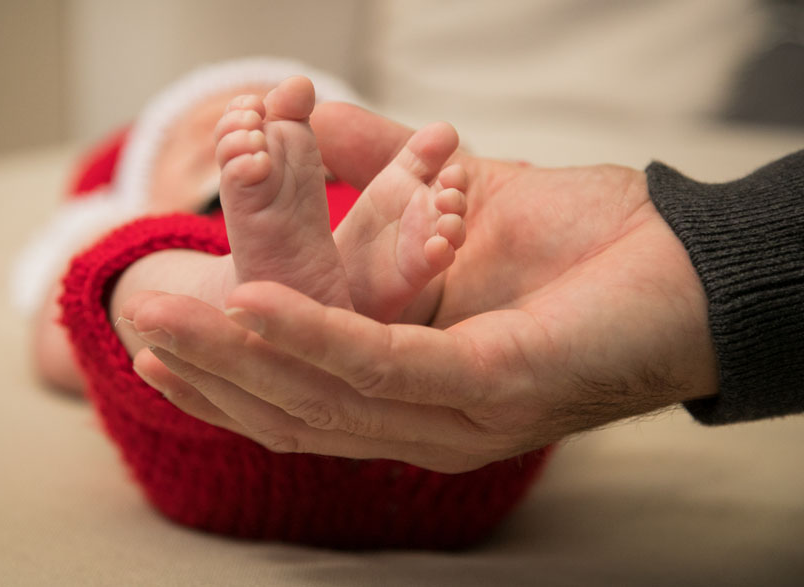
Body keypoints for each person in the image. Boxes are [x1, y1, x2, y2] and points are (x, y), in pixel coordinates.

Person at [16, 58, 554, 549]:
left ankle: (350, 300)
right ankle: (245, 295)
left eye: (296, 135)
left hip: (435, 437)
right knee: (121, 273)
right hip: (233, 428)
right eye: (206, 136)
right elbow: (64, 347)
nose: (257, 131)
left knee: (458, 262)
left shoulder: (400, 209)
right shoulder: (139, 223)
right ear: (139, 187)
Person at [116, 102, 804, 475]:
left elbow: (64, 347)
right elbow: (53, 336)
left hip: (462, 403)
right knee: (122, 265)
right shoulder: (131, 208)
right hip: (456, 456)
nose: (242, 116)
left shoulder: (372, 196)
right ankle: (265, 285)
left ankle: (307, 291)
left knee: (123, 280)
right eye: (194, 138)